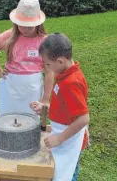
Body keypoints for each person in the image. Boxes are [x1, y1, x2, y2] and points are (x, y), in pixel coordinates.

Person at [30, 33, 90, 181]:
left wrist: (59, 139)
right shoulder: (64, 74)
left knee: (67, 175)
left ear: (60, 61)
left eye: (48, 64)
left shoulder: (71, 83)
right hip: (62, 132)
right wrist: (46, 107)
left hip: (69, 139)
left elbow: (83, 118)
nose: (47, 68)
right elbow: (66, 105)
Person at [0, 0, 55, 115]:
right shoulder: (10, 35)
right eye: (21, 25)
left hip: (32, 87)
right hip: (10, 86)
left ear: (38, 24)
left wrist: (45, 99)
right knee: (7, 118)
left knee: (29, 120)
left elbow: (49, 72)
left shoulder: (43, 41)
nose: (24, 29)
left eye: (29, 26)